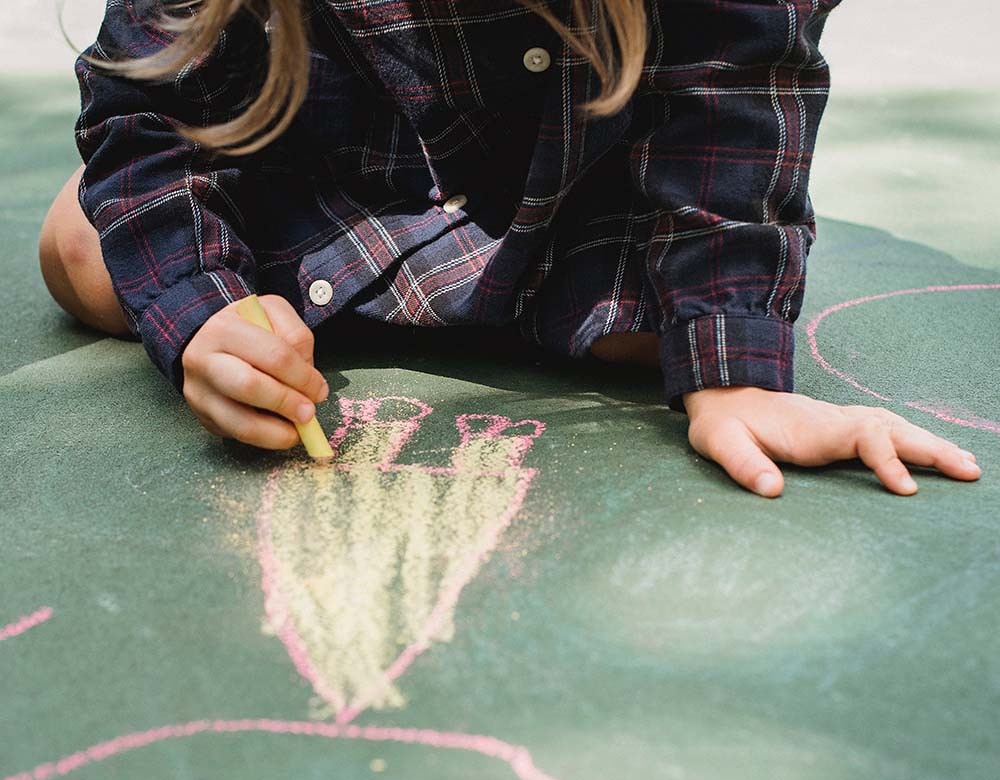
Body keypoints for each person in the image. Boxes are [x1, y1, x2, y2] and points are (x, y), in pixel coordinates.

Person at [38, 0, 981, 497]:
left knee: (680, 331)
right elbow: (148, 114)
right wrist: (206, 316)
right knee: (86, 249)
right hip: (333, 189)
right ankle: (451, 309)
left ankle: (510, 304)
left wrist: (730, 362)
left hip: (579, 196)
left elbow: (732, 92)